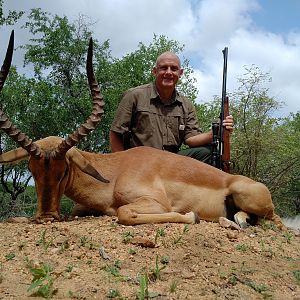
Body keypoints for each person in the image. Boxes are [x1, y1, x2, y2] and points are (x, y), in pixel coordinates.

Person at [109, 51, 234, 164]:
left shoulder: (186, 104)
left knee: (209, 152)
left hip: (170, 163)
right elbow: (115, 133)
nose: (168, 72)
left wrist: (217, 133)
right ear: (154, 71)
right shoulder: (134, 95)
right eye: (163, 68)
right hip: (141, 163)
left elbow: (190, 139)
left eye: (173, 69)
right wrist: (121, 165)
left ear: (180, 73)